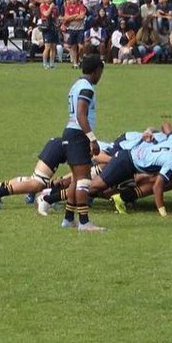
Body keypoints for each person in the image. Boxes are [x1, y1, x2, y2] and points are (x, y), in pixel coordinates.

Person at [61, 55, 106, 232]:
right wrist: (92, 138)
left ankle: (68, 218)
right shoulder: (87, 88)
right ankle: (84, 222)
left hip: (70, 133)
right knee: (84, 180)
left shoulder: (76, 85)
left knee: (75, 179)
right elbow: (81, 115)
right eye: (100, 73)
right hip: (78, 134)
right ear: (96, 71)